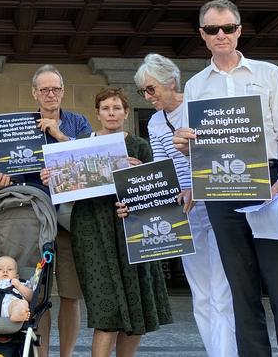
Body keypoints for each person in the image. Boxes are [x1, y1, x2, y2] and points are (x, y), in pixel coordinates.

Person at [172, 0, 278, 356]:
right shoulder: (195, 87)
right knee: (241, 287)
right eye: (211, 29)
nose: (220, 35)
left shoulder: (269, 75)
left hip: (270, 185)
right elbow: (198, 147)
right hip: (220, 189)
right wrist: (187, 147)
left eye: (227, 28)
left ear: (239, 30)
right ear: (202, 35)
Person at [54, 87, 171, 357]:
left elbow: (154, 192)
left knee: (136, 304)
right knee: (106, 309)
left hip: (132, 230)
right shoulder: (83, 143)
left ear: (126, 112)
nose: (111, 113)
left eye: (116, 108)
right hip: (92, 231)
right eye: (105, 108)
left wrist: (136, 176)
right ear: (97, 113)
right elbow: (67, 184)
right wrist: (54, 176)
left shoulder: (140, 146)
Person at [134, 53, 237, 357]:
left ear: (171, 83)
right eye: (143, 91)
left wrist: (195, 185)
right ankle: (215, 351)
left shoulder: (197, 108)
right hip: (183, 212)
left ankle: (228, 351)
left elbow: (220, 151)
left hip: (214, 203)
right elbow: (164, 165)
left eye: (151, 89)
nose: (147, 97)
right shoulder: (155, 122)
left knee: (222, 290)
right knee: (201, 293)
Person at [0, 64, 91, 357]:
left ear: (63, 91)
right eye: (45, 89)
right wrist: (4, 178)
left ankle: (67, 354)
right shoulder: (19, 125)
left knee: (71, 295)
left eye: (56, 89)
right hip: (33, 219)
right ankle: (42, 354)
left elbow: (91, 162)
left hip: (69, 218)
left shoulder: (78, 122)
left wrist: (59, 135)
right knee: (37, 295)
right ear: (34, 93)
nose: (51, 94)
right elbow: (10, 173)